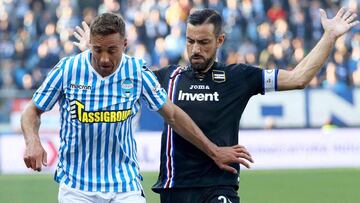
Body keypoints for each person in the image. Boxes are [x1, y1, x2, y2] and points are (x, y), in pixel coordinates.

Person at [72, 7, 359, 203]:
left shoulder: (239, 77)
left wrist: (330, 36)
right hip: (174, 188)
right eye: (190, 41)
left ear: (220, 40)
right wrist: (92, 51)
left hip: (219, 185)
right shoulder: (166, 77)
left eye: (204, 42)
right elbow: (118, 71)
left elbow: (298, 77)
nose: (195, 49)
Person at [21, 13, 254, 203]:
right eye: (97, 50)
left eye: (111, 50)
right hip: (77, 187)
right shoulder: (68, 69)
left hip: (125, 185)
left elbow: (172, 114)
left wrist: (214, 151)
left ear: (124, 45)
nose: (103, 59)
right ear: (90, 45)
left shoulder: (136, 72)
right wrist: (32, 140)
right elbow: (32, 110)